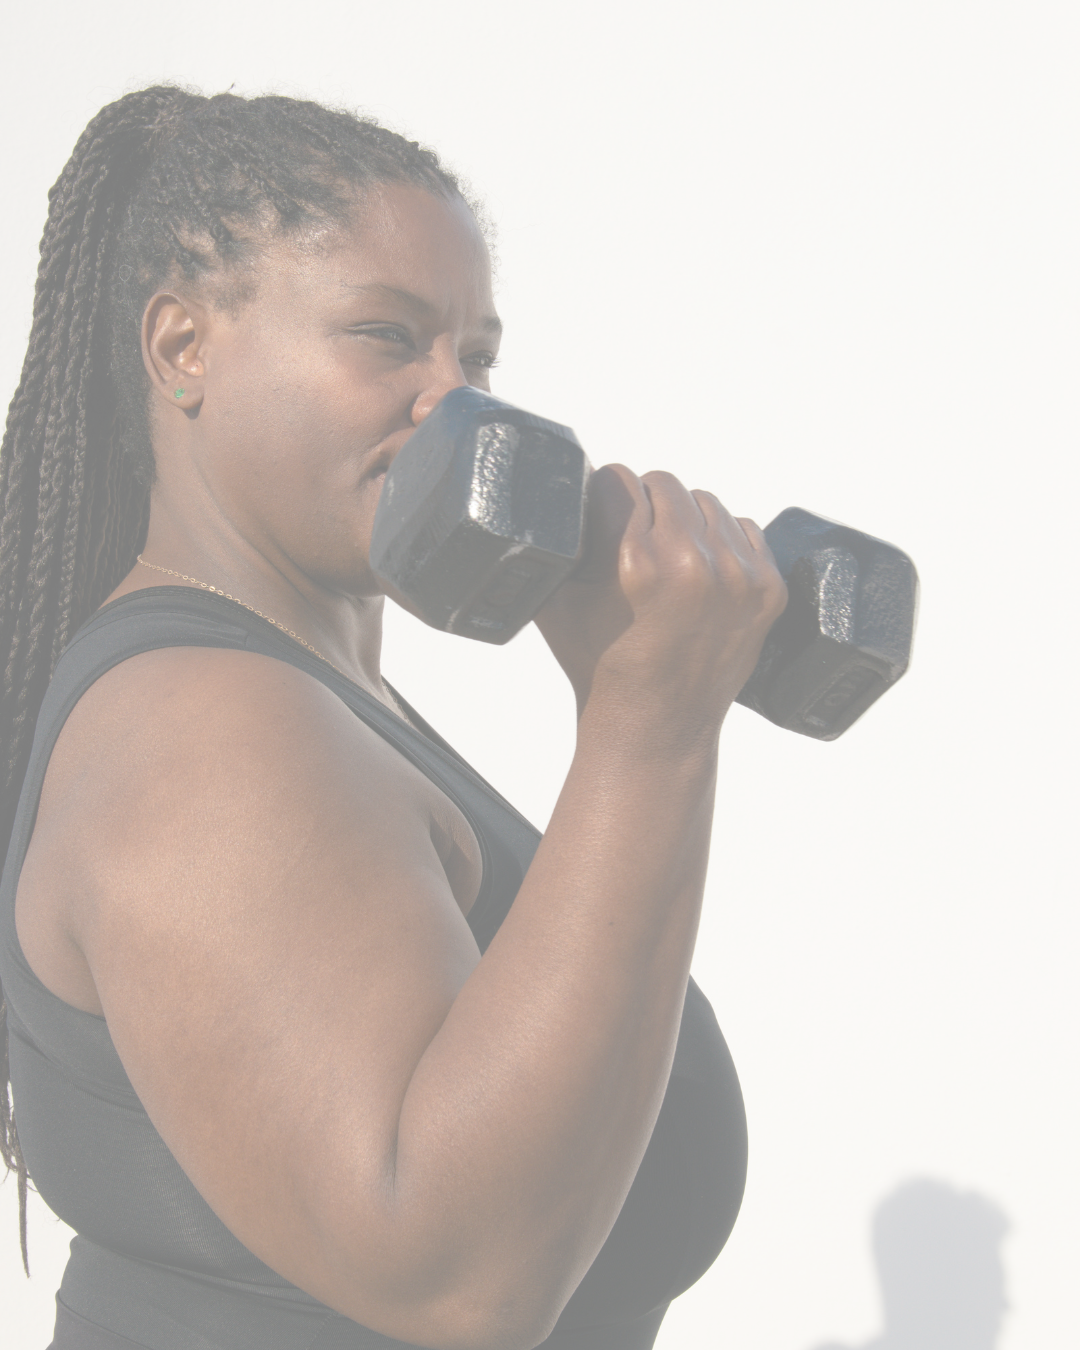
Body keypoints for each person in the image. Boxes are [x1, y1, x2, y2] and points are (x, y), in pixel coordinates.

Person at [0, 87, 787, 1350]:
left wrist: (649, 702)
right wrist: (651, 724)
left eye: (475, 358)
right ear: (182, 349)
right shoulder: (204, 733)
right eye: (387, 337)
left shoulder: (315, 696)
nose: (457, 405)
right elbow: (457, 1286)